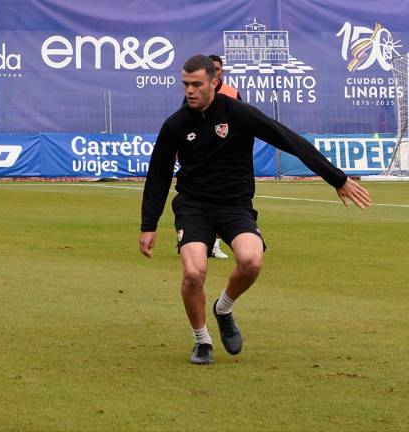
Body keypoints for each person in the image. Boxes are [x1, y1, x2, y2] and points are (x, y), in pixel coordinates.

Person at [139, 55, 370, 365]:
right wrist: (148, 224)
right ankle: (202, 341)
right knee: (194, 273)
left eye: (196, 84)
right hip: (193, 205)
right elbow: (158, 174)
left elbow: (288, 139)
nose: (189, 91)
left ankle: (223, 308)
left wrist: (337, 179)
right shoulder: (176, 124)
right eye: (185, 85)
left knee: (251, 261)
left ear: (214, 83)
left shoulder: (239, 113)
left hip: (234, 205)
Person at [209, 54, 241, 259]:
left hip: (227, 157)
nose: (215, 71)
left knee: (225, 200)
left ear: (222, 71)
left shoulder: (232, 92)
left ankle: (215, 244)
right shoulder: (196, 93)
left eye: (218, 68)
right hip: (203, 156)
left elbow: (243, 120)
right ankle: (188, 236)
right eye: (211, 68)